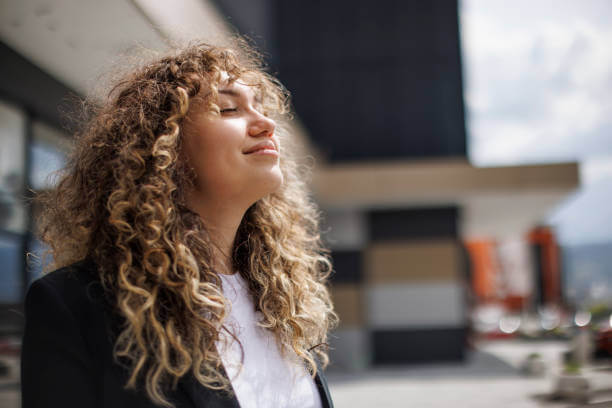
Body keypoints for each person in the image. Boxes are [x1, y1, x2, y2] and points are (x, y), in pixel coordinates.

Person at [21, 41, 337, 408]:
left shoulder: (281, 303)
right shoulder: (76, 306)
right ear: (164, 145)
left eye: (263, 108)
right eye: (229, 108)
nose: (266, 124)